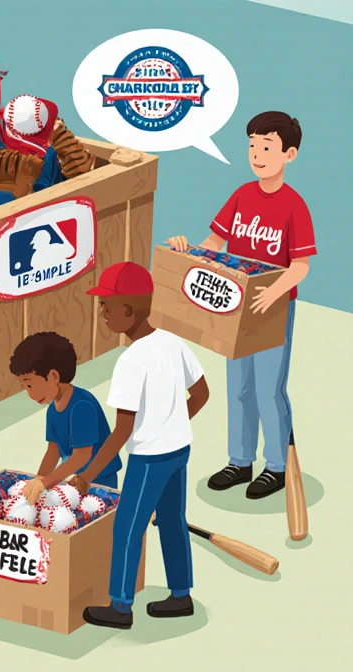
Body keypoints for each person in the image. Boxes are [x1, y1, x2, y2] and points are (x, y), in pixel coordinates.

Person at [168, 111, 315, 499]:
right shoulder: (241, 195)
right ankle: (240, 461)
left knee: (269, 389)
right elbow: (214, 244)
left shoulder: (294, 205)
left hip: (273, 309)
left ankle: (277, 467)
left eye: (267, 147)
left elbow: (301, 266)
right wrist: (189, 249)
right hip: (235, 306)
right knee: (239, 387)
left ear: (289, 154)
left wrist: (273, 291)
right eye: (252, 146)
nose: (257, 154)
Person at [75, 262, 210, 629]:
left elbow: (121, 432)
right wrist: (173, 423)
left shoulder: (131, 360)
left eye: (106, 306)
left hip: (149, 459)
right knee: (172, 521)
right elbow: (202, 393)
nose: (102, 313)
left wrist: (87, 476)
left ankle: (120, 607)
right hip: (179, 451)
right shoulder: (172, 342)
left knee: (128, 528)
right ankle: (181, 595)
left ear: (128, 310)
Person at [8, 331, 123, 508]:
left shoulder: (82, 406)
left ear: (54, 376)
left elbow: (82, 456)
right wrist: (37, 481)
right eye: (24, 387)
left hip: (98, 480)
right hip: (71, 482)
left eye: (30, 385)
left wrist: (45, 482)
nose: (29, 394)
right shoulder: (52, 410)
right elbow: (53, 451)